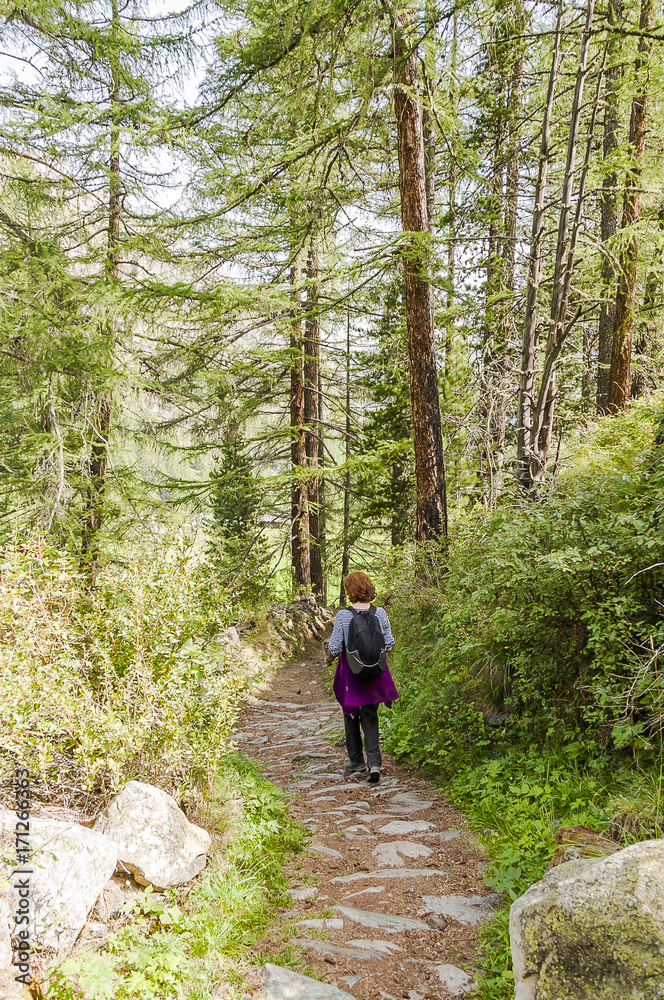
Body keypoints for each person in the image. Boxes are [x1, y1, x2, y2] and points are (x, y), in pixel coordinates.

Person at [327, 571, 399, 784]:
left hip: (352, 671)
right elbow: (389, 643)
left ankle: (356, 760)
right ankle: (374, 763)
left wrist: (329, 656)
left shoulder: (343, 616)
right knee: (370, 715)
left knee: (350, 713)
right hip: (375, 671)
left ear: (349, 591)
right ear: (369, 588)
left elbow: (335, 646)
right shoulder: (381, 613)